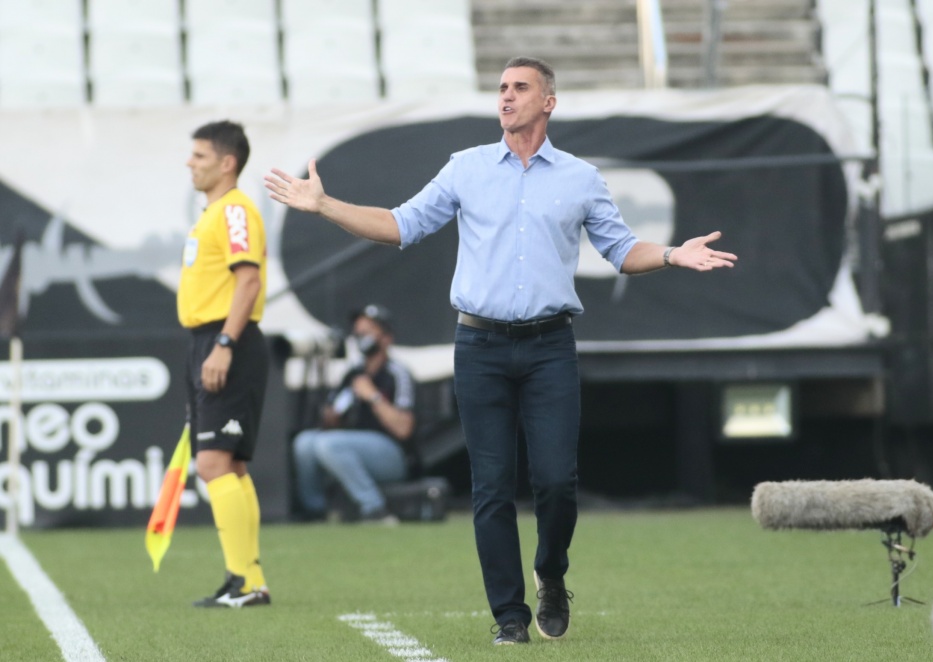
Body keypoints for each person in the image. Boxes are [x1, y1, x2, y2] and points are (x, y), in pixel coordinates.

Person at [264, 56, 737, 643]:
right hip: (479, 344)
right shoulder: (465, 168)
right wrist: (325, 206)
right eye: (502, 89)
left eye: (520, 88)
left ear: (549, 102)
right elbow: (400, 224)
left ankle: (552, 574)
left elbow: (621, 250)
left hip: (549, 347)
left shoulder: (581, 178)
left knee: (557, 482)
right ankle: (509, 617)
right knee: (490, 487)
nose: (507, 98)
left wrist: (670, 253)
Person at [179, 120, 271, 608]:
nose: (190, 163)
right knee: (229, 463)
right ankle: (250, 579)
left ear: (226, 162)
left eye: (199, 155)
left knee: (214, 462)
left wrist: (224, 343)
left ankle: (243, 580)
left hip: (225, 339)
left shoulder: (235, 211)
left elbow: (248, 282)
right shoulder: (214, 213)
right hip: (209, 340)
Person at [292, 304, 416, 524]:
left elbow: (404, 429)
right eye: (358, 331)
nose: (361, 336)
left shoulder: (397, 373)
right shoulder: (353, 373)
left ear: (386, 338)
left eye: (368, 331)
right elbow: (330, 420)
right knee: (304, 442)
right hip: (350, 445)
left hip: (392, 453)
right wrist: (330, 415)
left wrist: (373, 397)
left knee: (329, 444)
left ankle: (375, 509)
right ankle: (316, 510)